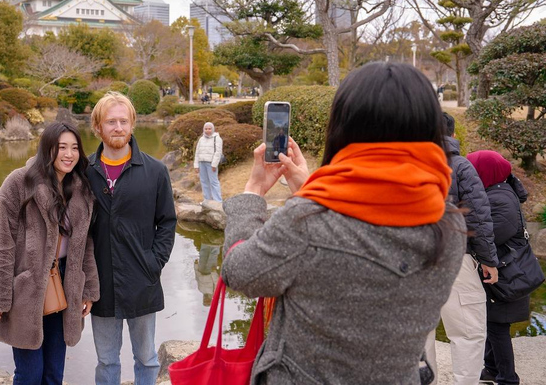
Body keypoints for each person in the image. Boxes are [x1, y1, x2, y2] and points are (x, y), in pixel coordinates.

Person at [220, 62, 466, 384]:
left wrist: (252, 194)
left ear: (343, 126)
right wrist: (312, 190)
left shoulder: (307, 221)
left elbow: (239, 271)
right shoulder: (449, 224)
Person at [0, 122, 100, 385]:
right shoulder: (19, 182)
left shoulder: (81, 190)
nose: (69, 154)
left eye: (74, 148)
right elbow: (0, 243)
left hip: (65, 285)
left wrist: (89, 290)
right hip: (27, 288)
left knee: (54, 373)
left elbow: (86, 245)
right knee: (29, 374)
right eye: (61, 147)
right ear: (47, 149)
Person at [85, 91, 177, 385]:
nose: (118, 127)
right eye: (110, 121)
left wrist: (154, 263)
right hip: (101, 282)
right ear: (97, 126)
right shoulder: (84, 172)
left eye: (123, 121)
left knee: (147, 358)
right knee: (106, 360)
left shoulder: (155, 171)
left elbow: (167, 222)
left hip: (142, 279)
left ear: (132, 124)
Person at [424, 113, 499, 385]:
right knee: (467, 332)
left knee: (419, 333)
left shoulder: (411, 164)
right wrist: (489, 260)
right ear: (453, 136)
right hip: (457, 257)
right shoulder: (461, 166)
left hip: (417, 259)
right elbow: (478, 216)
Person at [466, 150, 530, 385]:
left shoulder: (500, 199)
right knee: (493, 323)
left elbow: (490, 236)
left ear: (485, 173)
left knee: (497, 326)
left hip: (506, 273)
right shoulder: (497, 192)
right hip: (504, 270)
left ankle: (508, 378)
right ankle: (492, 369)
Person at [193, 122, 223, 202]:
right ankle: (207, 200)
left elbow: (218, 152)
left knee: (214, 182)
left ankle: (218, 201)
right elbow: (197, 152)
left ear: (212, 129)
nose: (207, 130)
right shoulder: (201, 139)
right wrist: (196, 165)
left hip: (211, 164)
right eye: (206, 129)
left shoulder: (217, 138)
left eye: (209, 129)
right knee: (204, 182)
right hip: (201, 163)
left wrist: (214, 164)